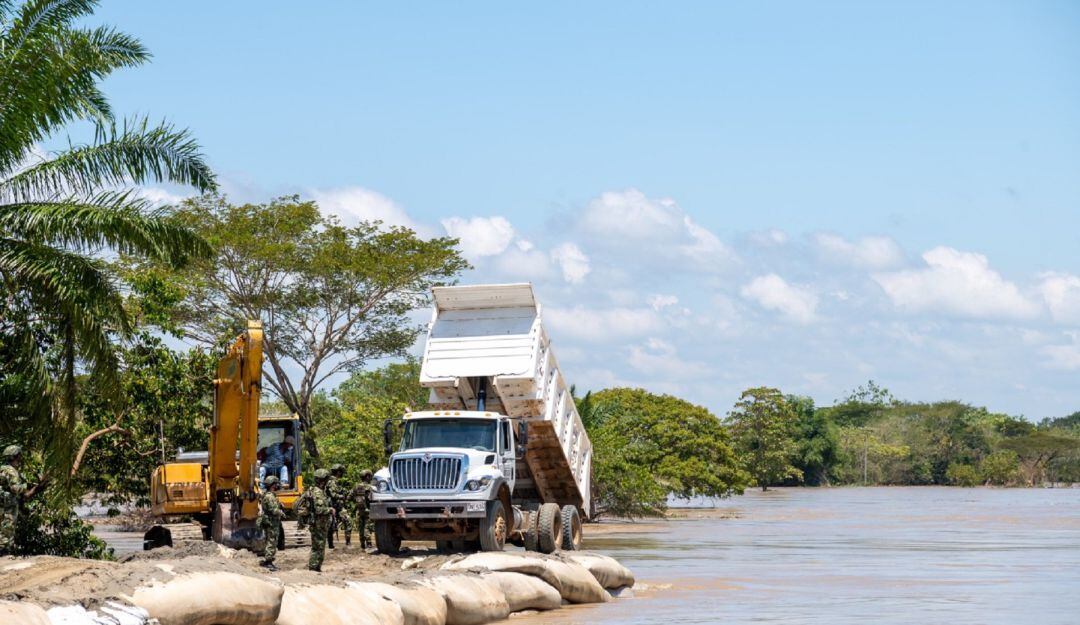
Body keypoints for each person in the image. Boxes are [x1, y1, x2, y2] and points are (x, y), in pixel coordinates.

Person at [296, 468, 334, 571]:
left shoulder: (315, 491)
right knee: (318, 547)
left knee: (318, 546)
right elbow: (319, 510)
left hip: (319, 524)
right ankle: (314, 567)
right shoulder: (318, 493)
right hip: (318, 524)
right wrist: (330, 510)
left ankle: (315, 566)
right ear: (323, 480)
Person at [0, 445, 27, 555]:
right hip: (9, 505)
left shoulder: (2, 468)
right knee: (8, 528)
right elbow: (15, 489)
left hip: (2, 503)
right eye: (19, 455)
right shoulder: (12, 471)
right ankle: (4, 552)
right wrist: (25, 486)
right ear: (15, 456)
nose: (20, 457)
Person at [256, 476, 286, 571]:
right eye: (276, 484)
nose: (277, 486)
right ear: (273, 485)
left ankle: (267, 560)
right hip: (272, 522)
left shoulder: (269, 495)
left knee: (270, 541)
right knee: (272, 541)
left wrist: (279, 505)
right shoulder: (270, 496)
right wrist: (281, 513)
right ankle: (268, 561)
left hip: (271, 522)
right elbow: (274, 510)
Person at [326, 464, 352, 548]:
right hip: (333, 507)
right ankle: (331, 544)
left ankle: (347, 542)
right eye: (341, 472)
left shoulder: (335, 481)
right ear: (338, 472)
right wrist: (342, 496)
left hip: (338, 507)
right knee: (331, 525)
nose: (342, 474)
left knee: (347, 521)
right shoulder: (332, 482)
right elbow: (333, 495)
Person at [351, 469, 374, 550]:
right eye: (370, 476)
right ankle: (369, 544)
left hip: (359, 510)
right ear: (367, 477)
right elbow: (373, 498)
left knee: (361, 527)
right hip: (368, 510)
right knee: (367, 527)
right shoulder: (370, 487)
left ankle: (362, 544)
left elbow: (349, 496)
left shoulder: (356, 486)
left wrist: (356, 502)